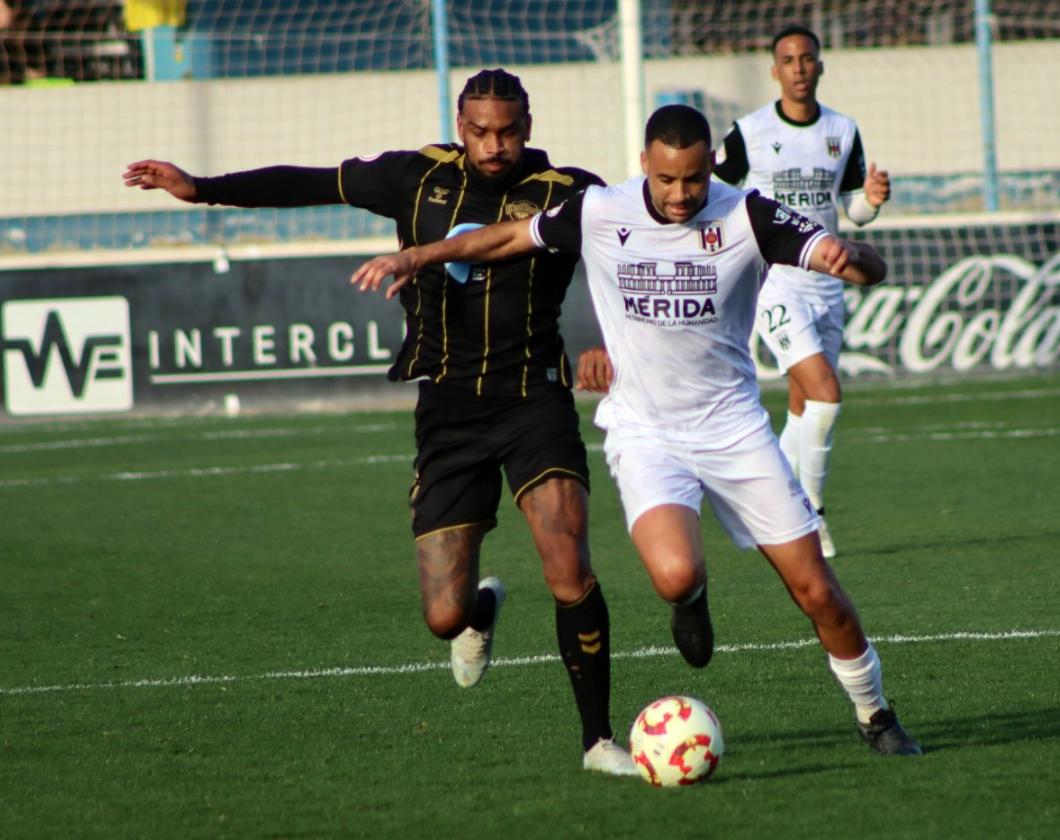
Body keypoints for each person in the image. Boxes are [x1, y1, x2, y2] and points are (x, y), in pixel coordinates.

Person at [350, 104, 921, 756]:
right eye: (668, 180)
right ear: (645, 165)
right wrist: (421, 254)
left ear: (712, 168)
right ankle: (693, 596)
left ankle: (874, 712)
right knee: (674, 576)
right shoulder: (600, 210)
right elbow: (507, 237)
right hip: (646, 432)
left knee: (817, 590)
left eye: (695, 181)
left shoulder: (747, 213)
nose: (681, 196)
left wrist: (857, 260)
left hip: (733, 427)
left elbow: (852, 258)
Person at [122, 68, 638, 776]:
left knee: (568, 563)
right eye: (481, 131)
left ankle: (598, 740)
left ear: (529, 124)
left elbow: (630, 262)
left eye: (510, 131)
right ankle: (478, 614)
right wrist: (200, 186)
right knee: (442, 617)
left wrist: (609, 344)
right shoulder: (413, 179)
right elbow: (308, 182)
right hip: (449, 409)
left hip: (533, 399)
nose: (496, 145)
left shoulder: (568, 192)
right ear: (461, 126)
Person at [713, 25, 892, 559]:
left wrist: (873, 202)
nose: (797, 67)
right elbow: (717, 196)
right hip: (776, 282)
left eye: (806, 58)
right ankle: (809, 513)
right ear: (775, 71)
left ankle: (770, 507)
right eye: (787, 59)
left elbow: (852, 211)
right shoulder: (749, 131)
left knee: (803, 404)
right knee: (827, 393)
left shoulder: (842, 130)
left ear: (819, 66)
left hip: (828, 283)